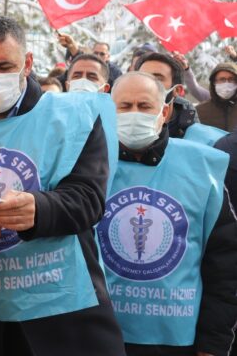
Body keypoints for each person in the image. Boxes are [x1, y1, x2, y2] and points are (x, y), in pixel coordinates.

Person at [0, 16, 123, 356]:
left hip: (63, 312)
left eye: (4, 65)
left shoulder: (74, 115)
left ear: (28, 63)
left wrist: (39, 208)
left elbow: (90, 199)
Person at [98, 71, 237, 356]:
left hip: (176, 341)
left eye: (144, 106)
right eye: (124, 106)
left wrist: (213, 343)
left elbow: (224, 265)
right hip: (98, 336)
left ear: (165, 110)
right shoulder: (87, 165)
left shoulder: (201, 168)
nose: (134, 114)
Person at [137, 52, 226, 145]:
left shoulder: (190, 130)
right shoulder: (123, 123)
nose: (147, 83)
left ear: (177, 90)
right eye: (142, 77)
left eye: (158, 79)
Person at [196, 63, 237, 133]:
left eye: (231, 79)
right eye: (222, 79)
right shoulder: (200, 111)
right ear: (214, 82)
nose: (226, 83)